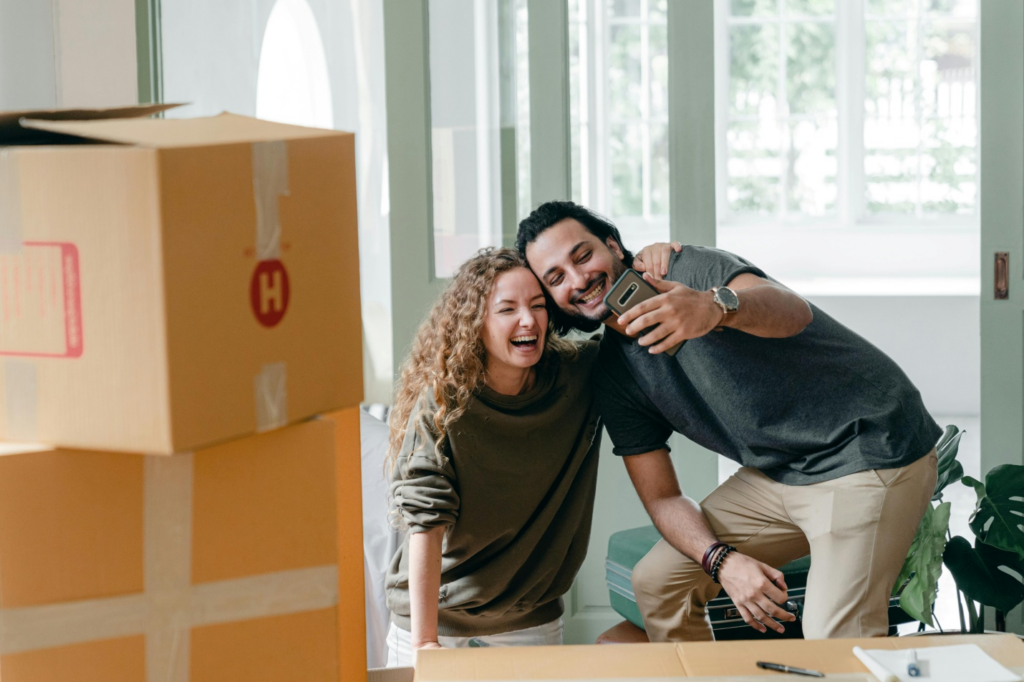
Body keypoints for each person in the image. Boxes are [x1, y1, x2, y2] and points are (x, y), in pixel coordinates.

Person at [516, 201, 940, 642]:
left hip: (868, 449)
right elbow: (663, 498)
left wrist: (714, 307)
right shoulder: (615, 374)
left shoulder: (689, 270)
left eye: (583, 256)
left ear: (612, 246)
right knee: (658, 584)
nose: (579, 278)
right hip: (780, 475)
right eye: (556, 278)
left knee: (833, 638)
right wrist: (723, 561)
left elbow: (791, 310)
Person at [383, 243, 676, 664]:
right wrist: (425, 645)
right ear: (474, 323)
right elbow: (425, 520)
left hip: (527, 616)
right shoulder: (445, 402)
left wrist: (650, 260)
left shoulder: (579, 374)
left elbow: (643, 325)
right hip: (434, 615)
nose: (528, 320)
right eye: (507, 309)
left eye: (538, 305)